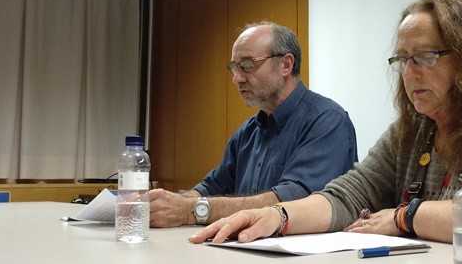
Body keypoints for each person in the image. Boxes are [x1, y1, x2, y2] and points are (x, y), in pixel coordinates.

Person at [188, 0, 462, 254]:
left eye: (424, 56)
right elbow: (347, 196)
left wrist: (406, 217)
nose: (409, 73)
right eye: (402, 60)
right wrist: (278, 217)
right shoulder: (416, 126)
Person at [149, 21, 358, 228]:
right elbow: (212, 186)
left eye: (247, 65)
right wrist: (169, 203)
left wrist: (192, 210)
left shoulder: (327, 120)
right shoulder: (248, 131)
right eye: (234, 67)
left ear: (286, 64)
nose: (237, 78)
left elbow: (292, 201)